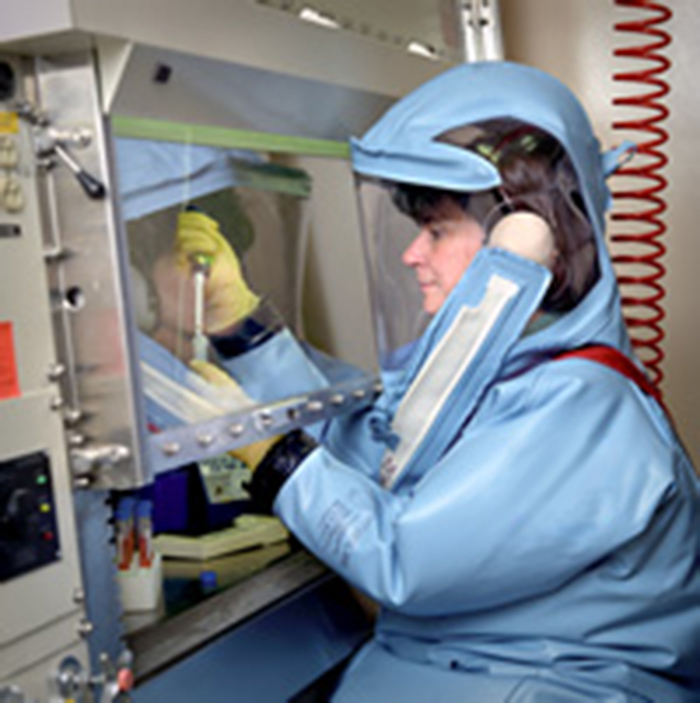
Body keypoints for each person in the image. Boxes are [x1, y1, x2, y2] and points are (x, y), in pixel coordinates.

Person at [175, 61, 700, 702]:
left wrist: (275, 457)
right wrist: (241, 324)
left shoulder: (587, 408)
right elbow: (373, 448)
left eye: (435, 230)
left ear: (528, 235)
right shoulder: (503, 378)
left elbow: (402, 556)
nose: (410, 254)